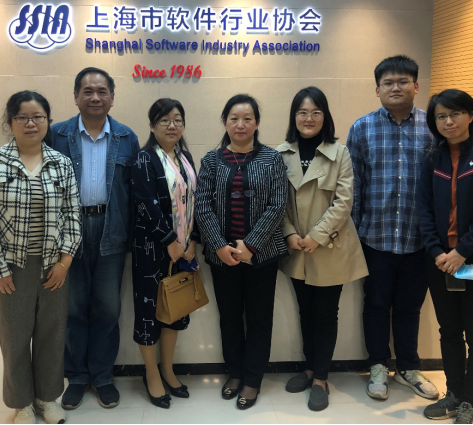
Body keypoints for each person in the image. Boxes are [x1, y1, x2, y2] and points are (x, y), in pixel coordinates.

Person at [0, 91, 81, 425]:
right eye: (22, 117)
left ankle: (47, 399)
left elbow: (72, 215)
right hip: (12, 267)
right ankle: (21, 404)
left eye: (38, 117)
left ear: (48, 121)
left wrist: (64, 262)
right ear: (10, 122)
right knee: (15, 337)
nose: (31, 123)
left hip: (53, 266)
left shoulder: (61, 163)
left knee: (51, 335)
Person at [346, 55, 439, 401]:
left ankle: (409, 368)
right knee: (375, 304)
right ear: (377, 89)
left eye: (402, 81)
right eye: (388, 82)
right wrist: (355, 233)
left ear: (416, 86)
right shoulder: (362, 128)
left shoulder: (432, 126)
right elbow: (353, 185)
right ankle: (377, 367)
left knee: (410, 307)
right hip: (375, 236)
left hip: (420, 238)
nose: (395, 87)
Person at [417, 90, 473, 425]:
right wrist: (438, 252)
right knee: (450, 332)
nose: (448, 121)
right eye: (441, 116)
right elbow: (424, 210)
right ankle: (454, 394)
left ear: (471, 115)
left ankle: (472, 403)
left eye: (455, 113)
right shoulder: (432, 160)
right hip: (441, 263)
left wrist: (461, 252)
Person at [49, 67, 140, 410]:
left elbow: (133, 192)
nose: (95, 97)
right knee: (72, 307)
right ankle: (76, 376)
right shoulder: (56, 135)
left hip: (111, 229)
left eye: (102, 91)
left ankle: (102, 376)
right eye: (87, 91)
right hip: (68, 231)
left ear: (112, 97)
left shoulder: (126, 137)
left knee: (107, 307)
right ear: (75, 96)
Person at [277, 87, 368, 412]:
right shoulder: (280, 154)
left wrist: (316, 235)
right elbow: (276, 201)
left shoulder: (339, 153)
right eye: (302, 112)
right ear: (294, 117)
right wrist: (289, 233)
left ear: (325, 117)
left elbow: (344, 202)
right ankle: (309, 368)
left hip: (329, 247)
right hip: (296, 248)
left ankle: (321, 378)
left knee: (326, 314)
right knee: (305, 311)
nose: (309, 118)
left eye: (316, 112)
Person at [196, 94, 288, 410]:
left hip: (261, 256)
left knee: (260, 319)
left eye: (247, 118)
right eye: (234, 118)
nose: (240, 124)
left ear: (257, 123)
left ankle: (252, 379)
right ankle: (234, 373)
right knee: (230, 318)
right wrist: (219, 246)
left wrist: (250, 245)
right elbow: (202, 206)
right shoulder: (211, 160)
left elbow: (278, 205)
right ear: (225, 122)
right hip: (222, 257)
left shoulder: (272, 159)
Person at [131, 98, 201, 409]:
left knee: (175, 309)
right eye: (164, 120)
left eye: (177, 120)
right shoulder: (144, 159)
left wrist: (192, 240)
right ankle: (151, 374)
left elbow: (196, 201)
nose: (172, 125)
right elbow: (145, 204)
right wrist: (170, 240)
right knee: (149, 312)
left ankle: (168, 370)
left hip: (183, 250)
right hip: (151, 249)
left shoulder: (186, 157)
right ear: (152, 125)